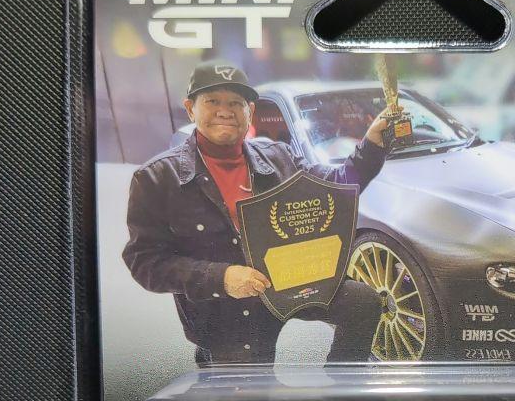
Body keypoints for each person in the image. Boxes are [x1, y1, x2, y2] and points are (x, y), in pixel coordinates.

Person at [124, 61, 390, 364]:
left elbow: (336, 186)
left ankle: (342, 382)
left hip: (288, 281)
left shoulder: (278, 156)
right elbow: (144, 262)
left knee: (362, 302)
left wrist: (372, 146)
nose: (225, 111)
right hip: (224, 309)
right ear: (190, 109)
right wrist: (221, 278)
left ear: (249, 111)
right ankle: (212, 362)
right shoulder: (156, 178)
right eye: (212, 101)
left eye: (235, 103)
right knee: (248, 388)